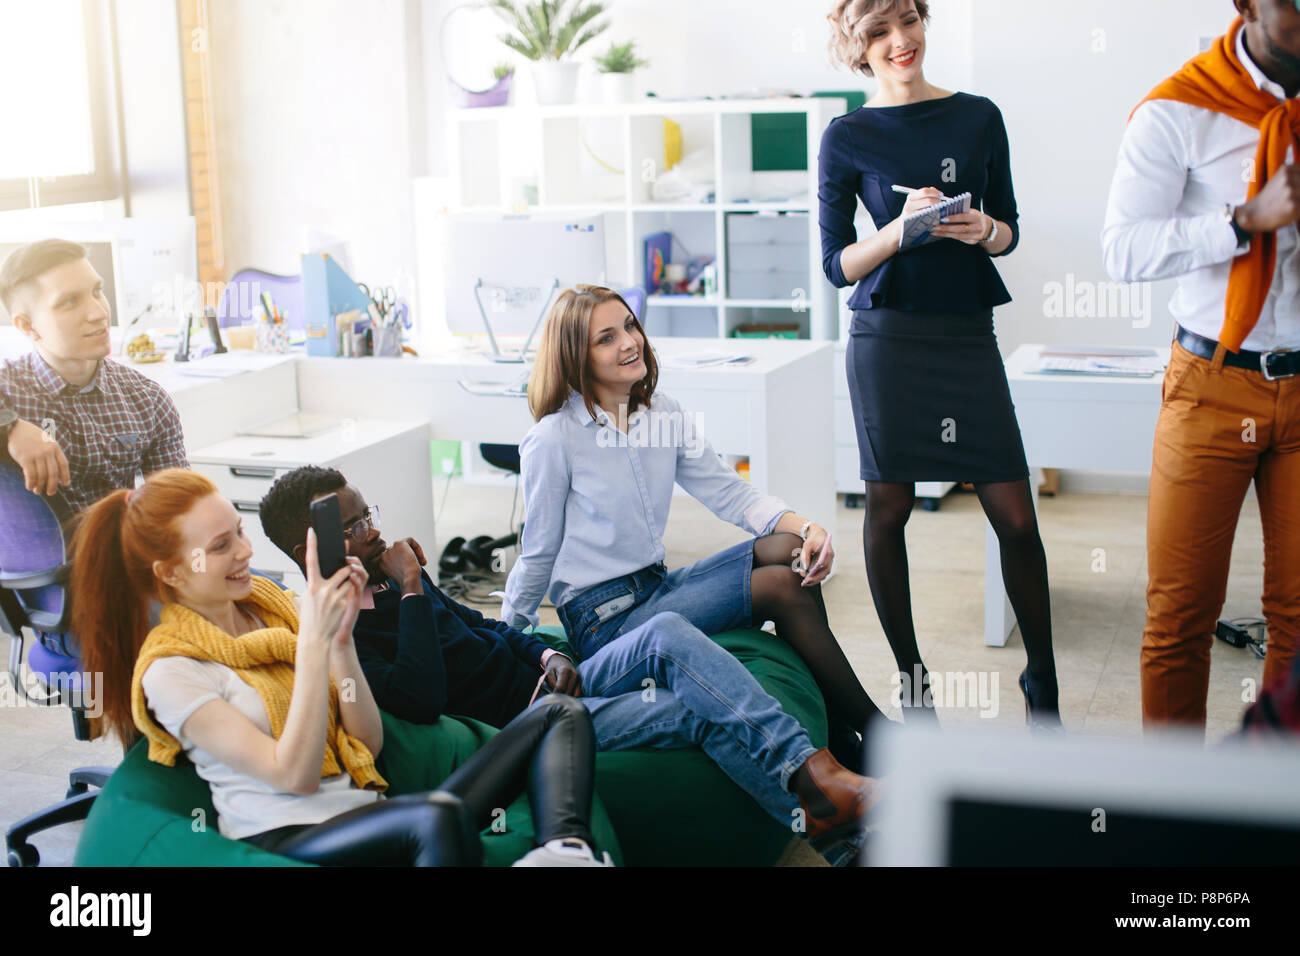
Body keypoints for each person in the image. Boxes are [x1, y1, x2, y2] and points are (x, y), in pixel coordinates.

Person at [256, 465, 878, 860]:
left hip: (559, 679)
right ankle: (829, 817)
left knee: (664, 630)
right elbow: (420, 696)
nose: (371, 530)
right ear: (311, 548)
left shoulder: (393, 579)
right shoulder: (342, 628)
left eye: (370, 514)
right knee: (695, 708)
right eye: (355, 523)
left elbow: (489, 628)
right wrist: (415, 590)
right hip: (535, 727)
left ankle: (816, 782)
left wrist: (550, 650)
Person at [69, 468, 612, 866]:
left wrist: (343, 640)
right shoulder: (171, 670)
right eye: (219, 546)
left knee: (560, 714)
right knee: (438, 818)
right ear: (169, 572)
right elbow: (293, 774)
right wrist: (312, 643)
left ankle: (568, 853)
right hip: (291, 835)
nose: (244, 552)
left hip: (368, 807)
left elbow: (367, 744)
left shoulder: (274, 605)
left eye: (238, 531)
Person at [498, 284, 892, 769]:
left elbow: (732, 494)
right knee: (780, 587)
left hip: (658, 585)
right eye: (606, 338)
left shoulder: (662, 413)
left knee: (790, 549)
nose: (629, 342)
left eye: (629, 325)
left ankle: (844, 737)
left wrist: (810, 528)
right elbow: (537, 554)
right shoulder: (553, 439)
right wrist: (505, 639)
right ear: (576, 357)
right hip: (605, 623)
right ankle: (876, 737)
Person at [819, 0, 1060, 730]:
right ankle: (913, 681)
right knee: (888, 508)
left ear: (926, 22)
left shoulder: (979, 116)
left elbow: (1009, 227)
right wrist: (897, 231)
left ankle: (1041, 680)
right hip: (887, 341)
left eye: (909, 22)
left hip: (964, 335)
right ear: (857, 48)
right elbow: (836, 264)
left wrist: (981, 226)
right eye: (881, 32)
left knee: (1016, 517)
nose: (902, 42)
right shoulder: (846, 135)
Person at [1102, 1, 1300, 733]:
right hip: (1211, 388)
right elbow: (1123, 251)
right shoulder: (1180, 109)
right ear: (1247, 5)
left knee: (1298, 620)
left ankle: (1274, 793)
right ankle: (1173, 813)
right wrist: (1242, 221)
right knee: (1181, 613)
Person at [0, 239, 188, 512]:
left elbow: (180, 508)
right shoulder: (7, 392)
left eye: (97, 291)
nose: (99, 313)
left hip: (117, 552)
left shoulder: (147, 399)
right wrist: (9, 427)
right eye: (69, 302)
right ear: (28, 325)